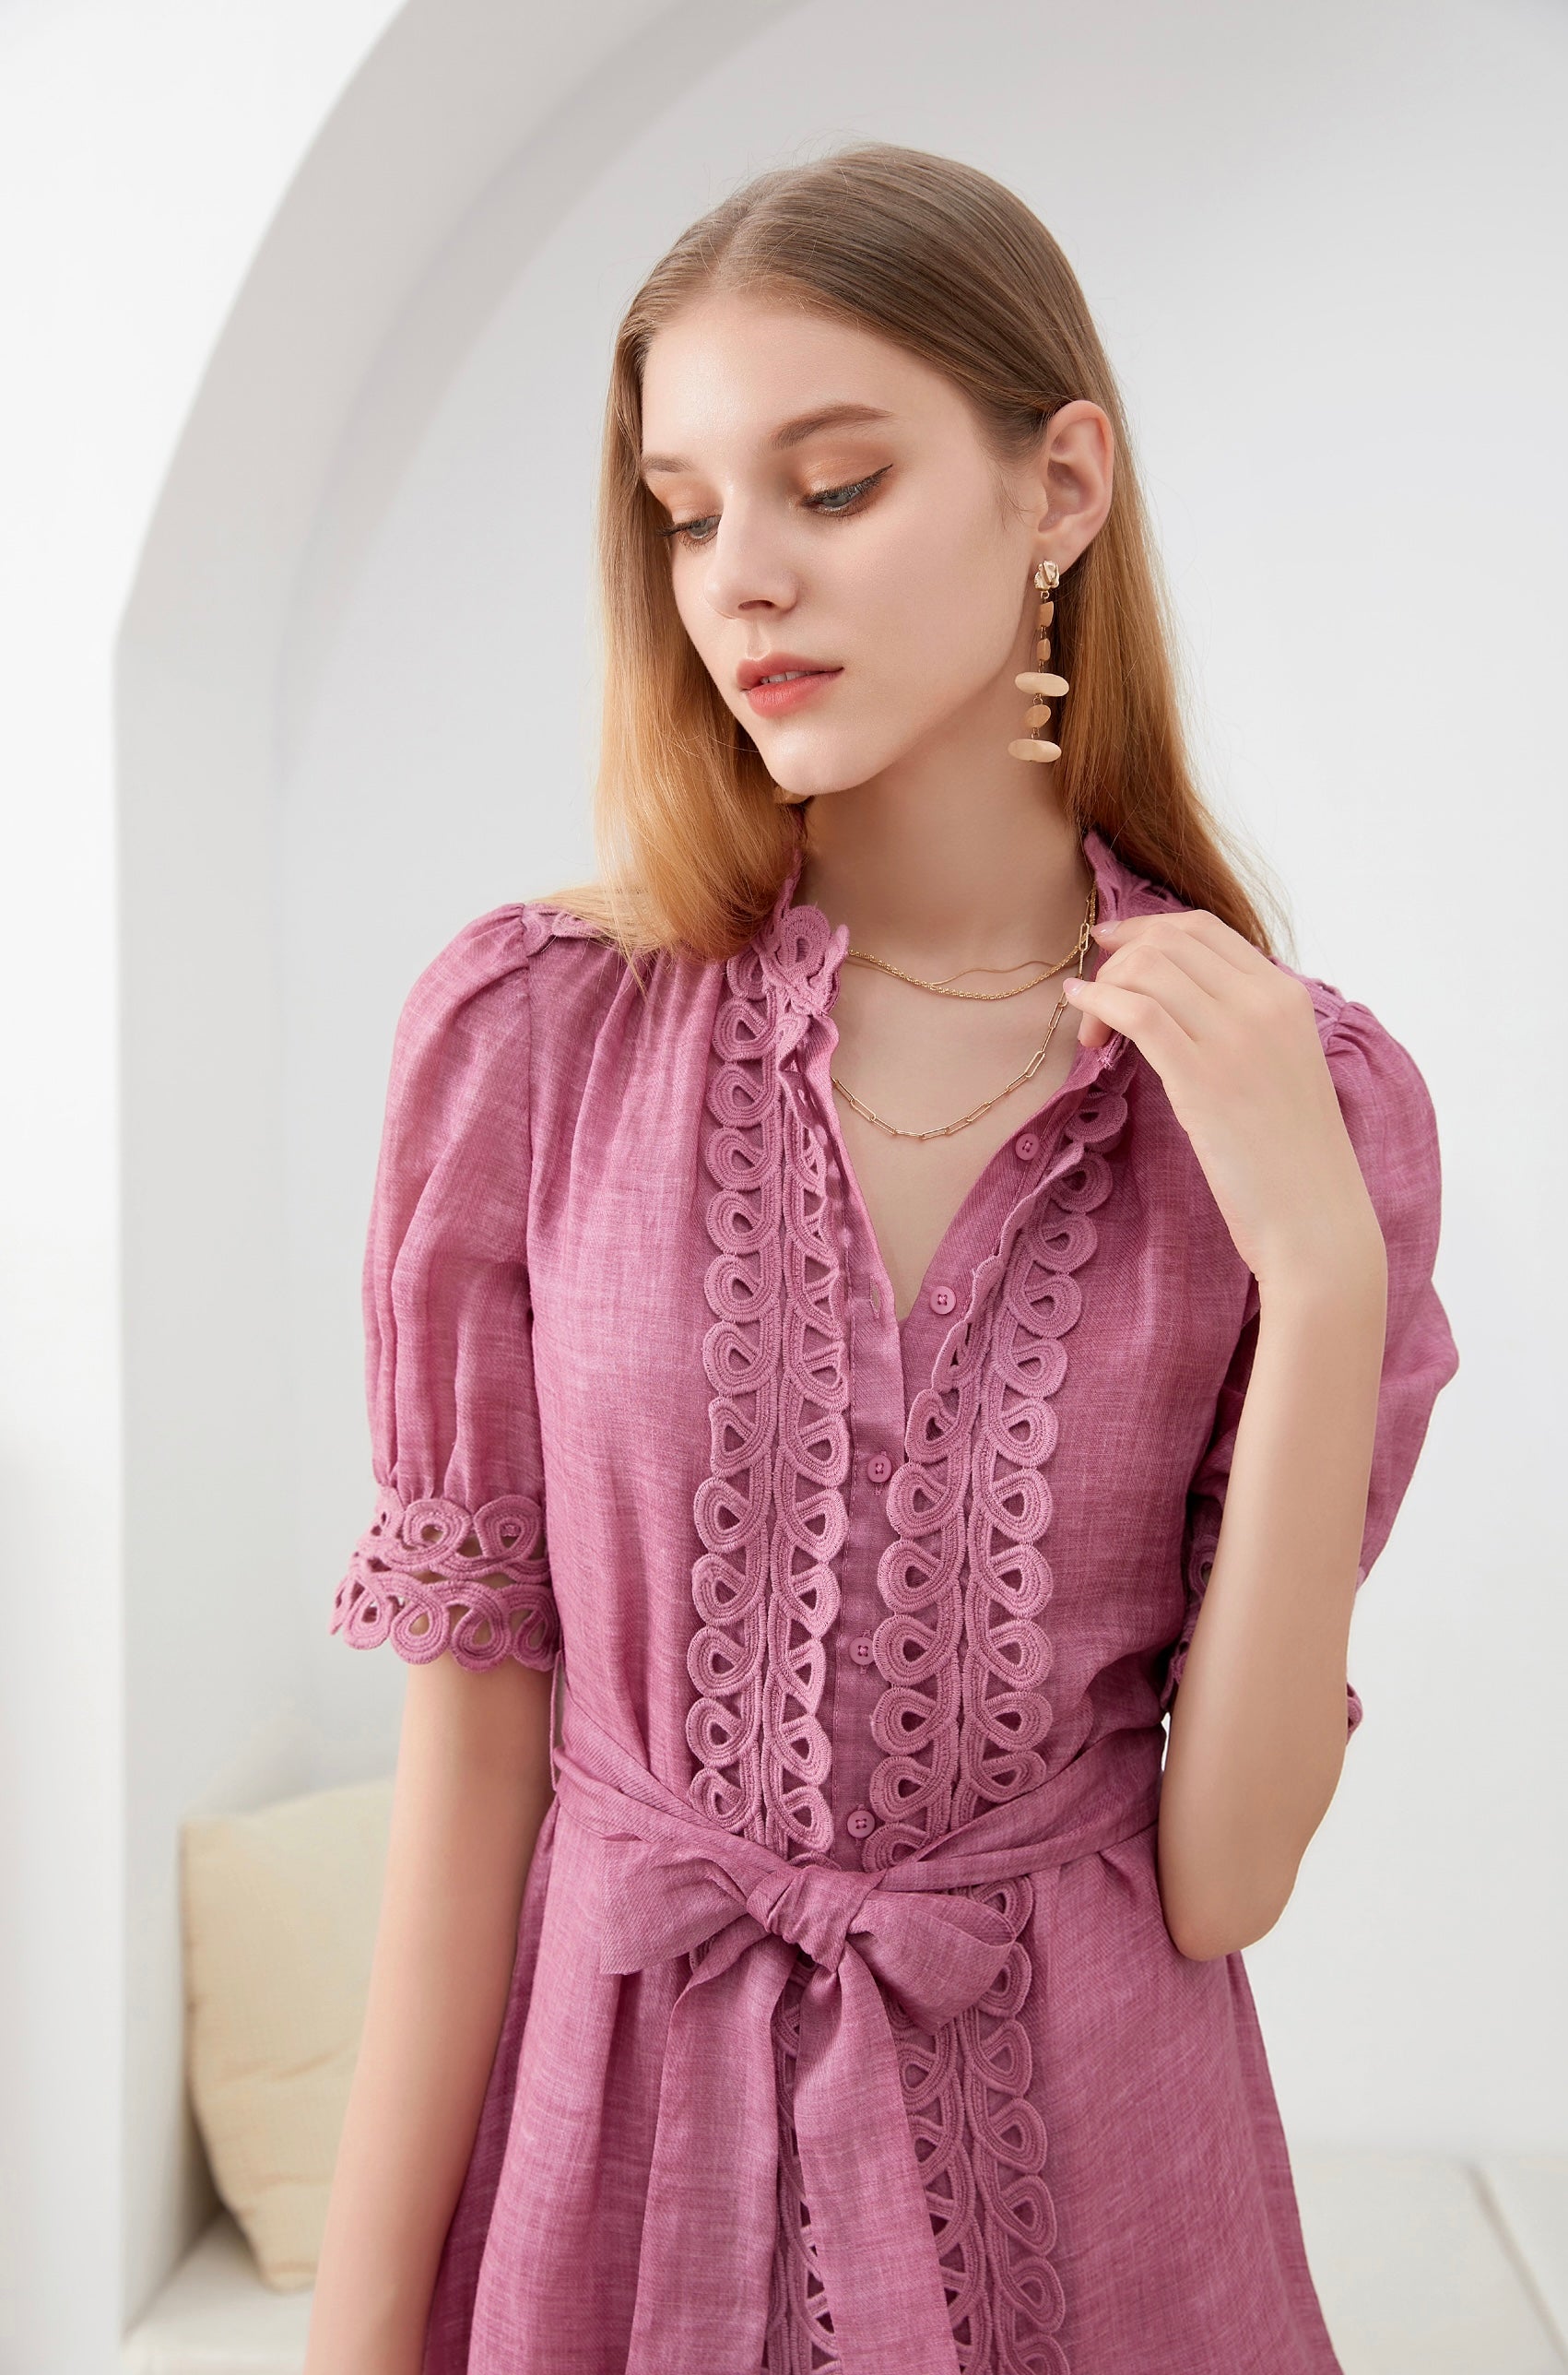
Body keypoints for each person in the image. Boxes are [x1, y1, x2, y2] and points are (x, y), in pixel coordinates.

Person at [304, 141, 1459, 2375]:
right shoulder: (536, 1038)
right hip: (613, 2188)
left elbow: (1224, 1875)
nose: (740, 576)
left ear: (1060, 488)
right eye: (684, 511)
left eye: (832, 486)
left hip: (1100, 2207)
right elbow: (466, 1788)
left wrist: (1320, 1277)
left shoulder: (1301, 1104)